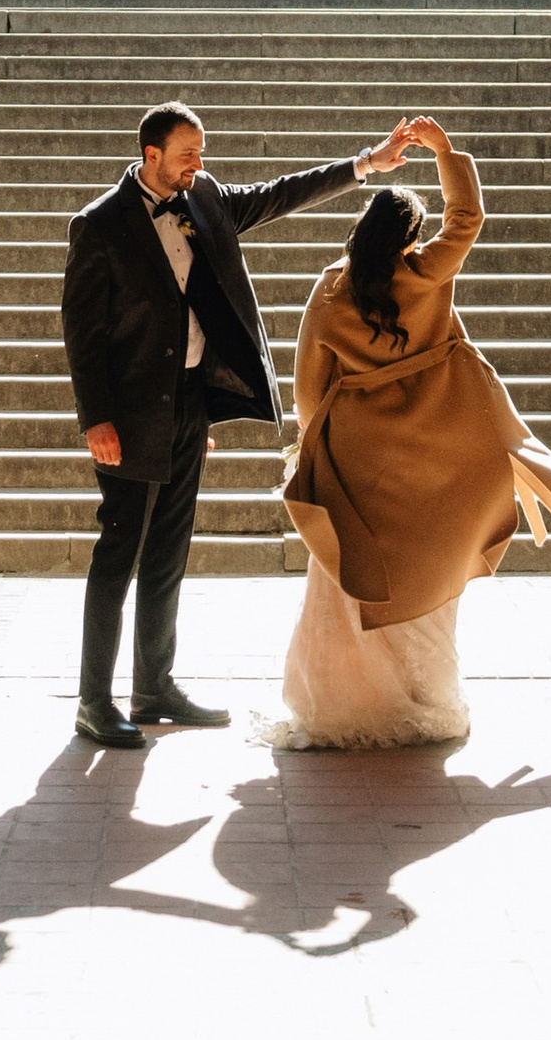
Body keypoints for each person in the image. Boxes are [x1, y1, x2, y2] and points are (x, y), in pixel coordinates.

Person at [61, 98, 415, 748]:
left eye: (202, 151)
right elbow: (81, 333)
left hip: (188, 409)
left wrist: (367, 163)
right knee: (119, 555)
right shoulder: (100, 225)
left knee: (168, 555)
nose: (200, 162)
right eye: (189, 152)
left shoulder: (206, 198)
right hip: (128, 417)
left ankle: (154, 686)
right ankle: (92, 699)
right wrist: (96, 419)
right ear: (152, 156)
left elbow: (280, 193)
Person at [275, 116, 551, 749]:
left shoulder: (330, 290)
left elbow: (305, 390)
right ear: (408, 235)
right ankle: (424, 698)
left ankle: (342, 702)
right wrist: (443, 152)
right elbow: (467, 219)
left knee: (351, 571)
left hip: (358, 451)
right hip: (438, 438)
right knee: (429, 570)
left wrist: (314, 440)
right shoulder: (429, 270)